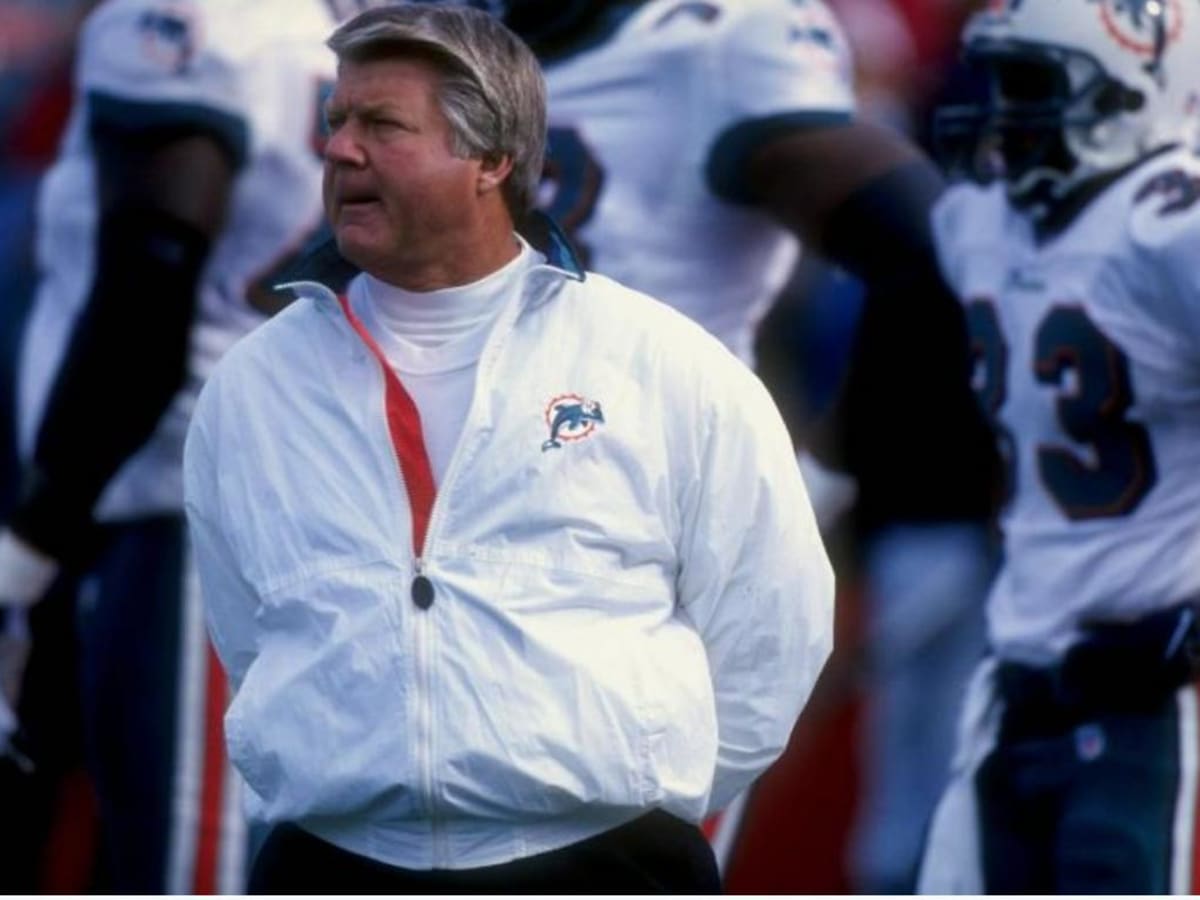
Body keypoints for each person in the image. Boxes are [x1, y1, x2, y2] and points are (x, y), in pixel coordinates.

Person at [182, 4, 835, 893]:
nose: (340, 151)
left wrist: (636, 795)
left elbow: (775, 623)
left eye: (383, 126)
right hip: (336, 862)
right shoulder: (251, 384)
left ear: (493, 158)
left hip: (605, 862)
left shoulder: (664, 361)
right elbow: (247, 629)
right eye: (336, 122)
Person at [490, 0, 1001, 888]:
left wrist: (830, 461)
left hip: (625, 539)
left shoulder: (719, 37)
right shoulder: (439, 31)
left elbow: (944, 250)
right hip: (440, 511)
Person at [0, 0, 364, 890]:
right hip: (306, 493)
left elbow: (149, 285)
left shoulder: (196, 20)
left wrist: (31, 542)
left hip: (176, 503)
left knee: (183, 872)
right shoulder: (367, 30)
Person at [917, 0, 1200, 892]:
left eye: (1032, 85)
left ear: (1134, 89)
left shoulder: (1170, 228)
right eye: (998, 84)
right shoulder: (977, 226)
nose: (1004, 115)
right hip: (1013, 687)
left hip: (1155, 700)